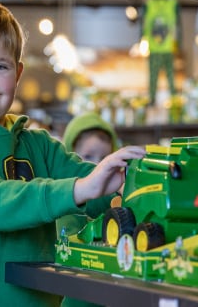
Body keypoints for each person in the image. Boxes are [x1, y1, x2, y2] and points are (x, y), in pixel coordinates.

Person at [0, 0, 145, 307]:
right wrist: (79, 189)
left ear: (18, 73)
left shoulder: (39, 146)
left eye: (0, 66)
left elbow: (96, 188)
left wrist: (129, 180)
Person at [57, 112, 121, 307]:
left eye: (105, 158)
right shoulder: (64, 202)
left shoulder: (117, 197)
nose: (96, 165)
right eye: (86, 157)